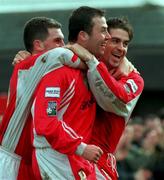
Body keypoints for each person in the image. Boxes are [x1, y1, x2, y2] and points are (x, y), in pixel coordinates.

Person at [66, 17, 144, 179]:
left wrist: (91, 60)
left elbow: (117, 95)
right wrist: (32, 58)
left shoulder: (134, 79)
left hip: (99, 163)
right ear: (103, 41)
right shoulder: (83, 63)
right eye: (115, 41)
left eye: (125, 44)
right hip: (69, 155)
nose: (121, 48)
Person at [0, 17, 65, 180]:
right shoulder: (27, 66)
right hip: (15, 159)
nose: (63, 46)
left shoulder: (44, 67)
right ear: (38, 45)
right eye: (57, 40)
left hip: (35, 158)